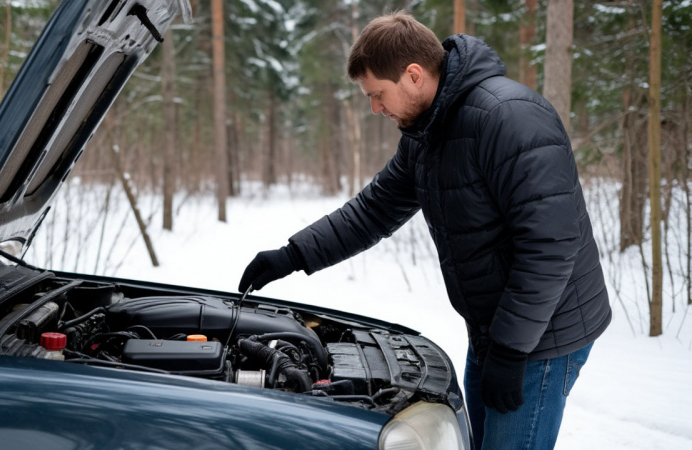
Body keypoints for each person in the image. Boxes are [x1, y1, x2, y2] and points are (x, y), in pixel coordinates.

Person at [238, 11, 611, 450]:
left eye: (378, 94)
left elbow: (550, 245)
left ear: (413, 75)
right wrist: (293, 256)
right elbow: (373, 210)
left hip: (543, 335)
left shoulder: (509, 118)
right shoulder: (427, 131)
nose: (376, 108)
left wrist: (512, 351)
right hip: (496, 329)